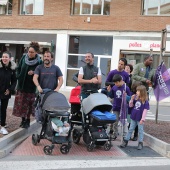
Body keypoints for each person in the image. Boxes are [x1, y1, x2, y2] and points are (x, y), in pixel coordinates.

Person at [12, 41, 42, 129]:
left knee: (29, 104)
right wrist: (18, 76)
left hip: (31, 87)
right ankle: (23, 120)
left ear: (36, 52)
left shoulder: (39, 62)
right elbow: (18, 68)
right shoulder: (24, 58)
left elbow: (40, 73)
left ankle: (27, 120)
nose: (30, 53)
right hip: (21, 85)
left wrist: (34, 73)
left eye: (32, 52)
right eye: (29, 51)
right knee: (21, 104)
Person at [120, 85, 149, 150]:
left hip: (140, 118)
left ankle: (140, 143)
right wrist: (132, 99)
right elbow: (130, 106)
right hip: (134, 117)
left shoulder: (145, 101)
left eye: (138, 91)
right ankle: (126, 141)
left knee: (140, 130)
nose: (136, 92)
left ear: (142, 92)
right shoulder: (136, 98)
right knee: (130, 129)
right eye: (137, 91)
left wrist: (143, 119)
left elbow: (145, 111)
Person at [107, 74, 131, 139]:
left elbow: (130, 98)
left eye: (117, 82)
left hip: (123, 108)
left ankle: (124, 136)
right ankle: (115, 134)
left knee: (124, 122)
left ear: (121, 81)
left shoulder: (126, 88)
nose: (116, 84)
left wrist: (127, 97)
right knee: (115, 121)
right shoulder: (114, 88)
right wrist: (109, 91)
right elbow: (111, 96)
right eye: (115, 83)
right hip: (115, 107)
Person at [0, 51, 17, 134]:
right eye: (3, 57)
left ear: (10, 58)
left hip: (6, 93)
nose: (4, 58)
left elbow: (14, 81)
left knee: (3, 109)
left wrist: (10, 89)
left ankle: (2, 126)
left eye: (6, 57)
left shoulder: (12, 69)